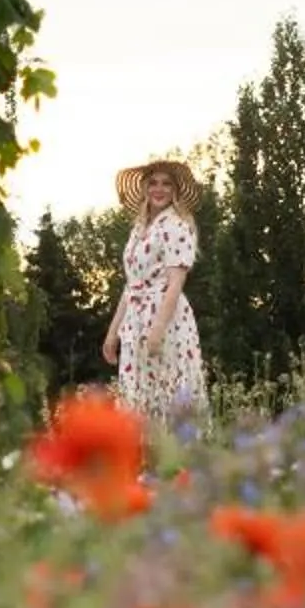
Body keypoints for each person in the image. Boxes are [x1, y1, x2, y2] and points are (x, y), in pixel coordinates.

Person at [106, 158, 208, 430]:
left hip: (166, 318)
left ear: (175, 189)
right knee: (136, 397)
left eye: (166, 183)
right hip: (135, 319)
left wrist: (158, 328)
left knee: (169, 392)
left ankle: (178, 464)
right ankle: (142, 465)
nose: (159, 189)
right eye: (153, 183)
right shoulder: (139, 229)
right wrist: (112, 333)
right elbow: (131, 286)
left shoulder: (177, 225)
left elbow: (176, 282)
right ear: (144, 188)